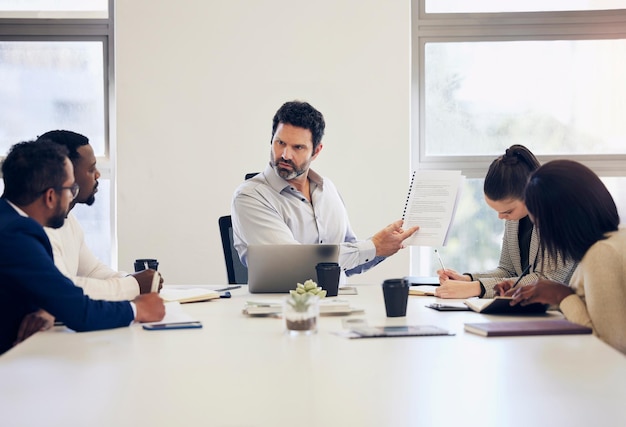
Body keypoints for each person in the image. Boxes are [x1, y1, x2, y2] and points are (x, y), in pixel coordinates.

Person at [0, 140, 165, 354]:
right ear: (50, 196)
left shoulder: (9, 221)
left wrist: (47, 307)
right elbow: (80, 312)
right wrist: (138, 309)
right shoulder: (16, 235)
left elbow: (51, 291)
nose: (72, 197)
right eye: (71, 189)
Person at [231, 100, 418, 277]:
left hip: (336, 303)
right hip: (286, 306)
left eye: (298, 147)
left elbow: (349, 260)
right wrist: (373, 247)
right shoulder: (250, 196)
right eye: (280, 143)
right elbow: (291, 262)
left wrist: (385, 246)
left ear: (316, 151)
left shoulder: (327, 189)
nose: (285, 155)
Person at [504, 160, 625, 354]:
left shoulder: (601, 254)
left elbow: (610, 347)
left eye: (541, 225)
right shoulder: (616, 240)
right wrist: (550, 296)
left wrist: (562, 296)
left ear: (560, 222)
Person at [435, 145, 576, 299]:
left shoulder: (560, 216)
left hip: (562, 312)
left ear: (530, 193)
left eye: (507, 211)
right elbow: (507, 270)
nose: (501, 217)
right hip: (528, 309)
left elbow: (549, 281)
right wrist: (469, 279)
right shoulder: (515, 218)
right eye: (497, 211)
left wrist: (477, 288)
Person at [36, 130, 161, 301]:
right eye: (91, 169)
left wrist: (131, 280)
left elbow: (92, 271)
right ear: (66, 173)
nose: (98, 175)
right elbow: (64, 288)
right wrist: (133, 285)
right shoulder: (37, 225)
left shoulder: (68, 219)